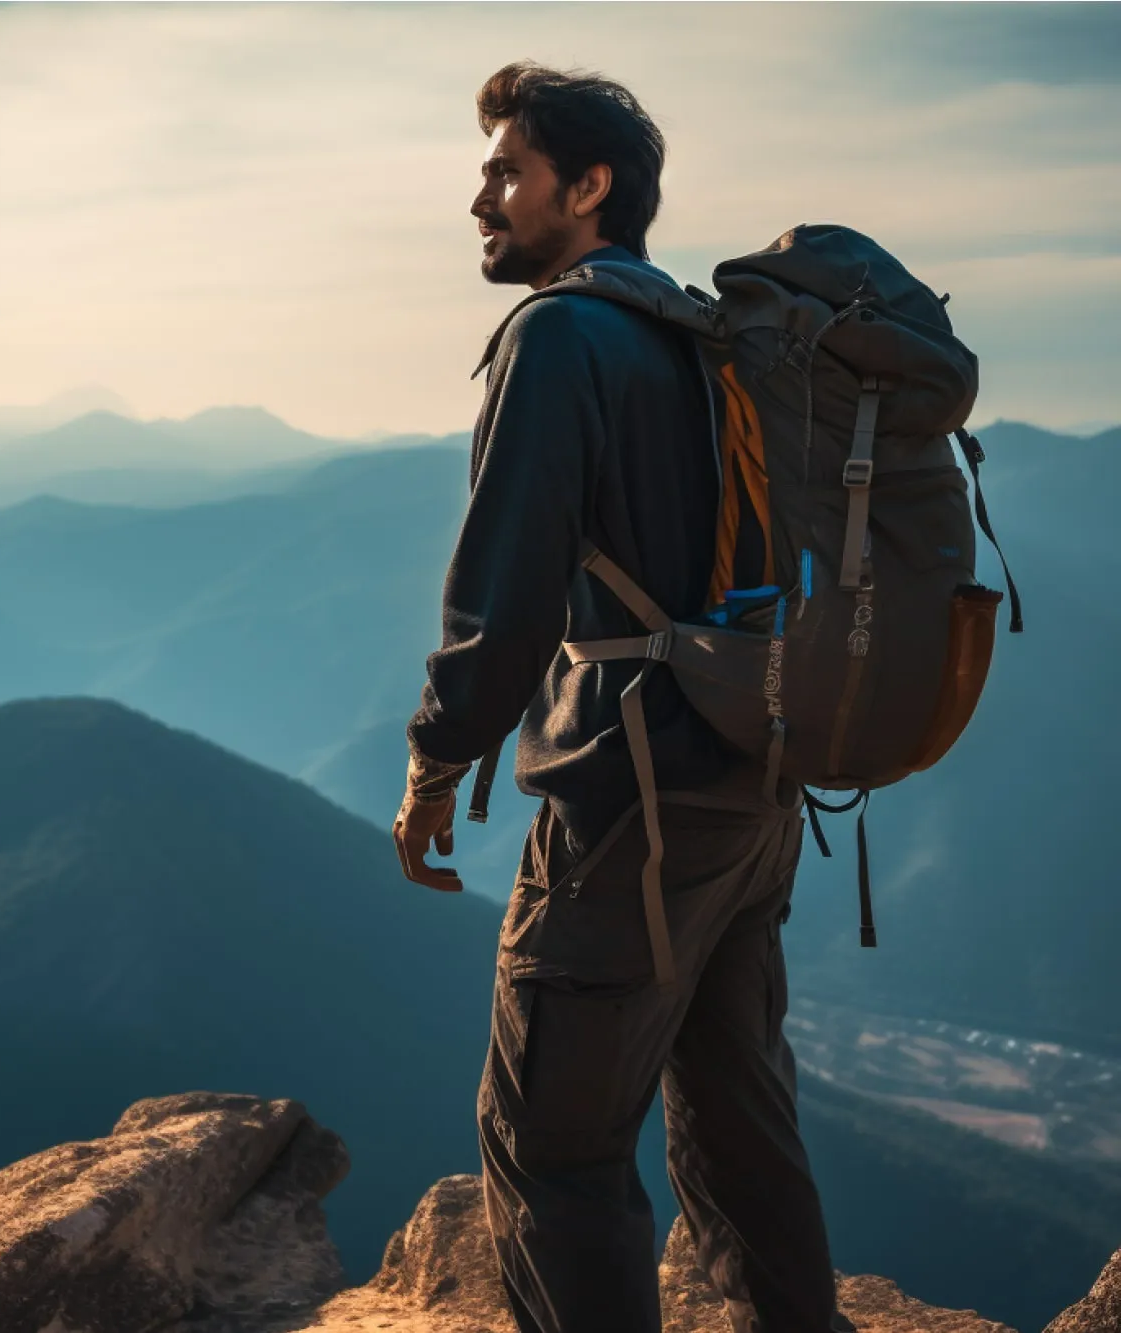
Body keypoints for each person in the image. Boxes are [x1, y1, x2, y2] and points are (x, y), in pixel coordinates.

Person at [391, 62, 848, 1333]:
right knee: (737, 1122)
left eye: (505, 170)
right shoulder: (702, 336)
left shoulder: (556, 337)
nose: (480, 196)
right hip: (751, 782)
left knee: (553, 1146)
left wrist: (437, 759)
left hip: (631, 799)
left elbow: (507, 583)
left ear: (585, 188)